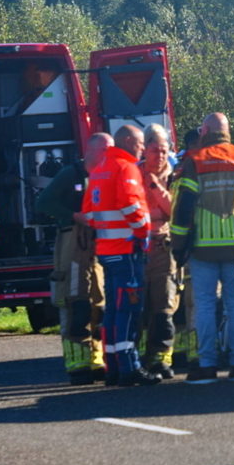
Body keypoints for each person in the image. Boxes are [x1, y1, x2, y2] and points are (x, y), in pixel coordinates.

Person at [171, 113, 234, 384]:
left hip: (204, 244)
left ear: (204, 131)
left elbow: (184, 207)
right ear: (228, 131)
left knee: (204, 305)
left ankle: (208, 365)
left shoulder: (196, 160)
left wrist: (178, 246)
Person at [82, 124, 161, 387]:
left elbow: (89, 213)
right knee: (129, 309)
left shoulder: (99, 169)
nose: (141, 148)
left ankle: (113, 366)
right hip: (126, 250)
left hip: (107, 250)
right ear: (127, 141)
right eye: (140, 143)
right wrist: (142, 231)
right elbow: (129, 203)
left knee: (114, 311)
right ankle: (129, 367)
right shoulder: (125, 166)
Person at [37, 132, 112, 386]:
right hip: (72, 242)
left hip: (97, 245)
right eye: (106, 150)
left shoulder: (106, 175)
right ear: (91, 150)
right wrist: (74, 216)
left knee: (97, 304)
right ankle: (77, 366)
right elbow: (44, 201)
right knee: (75, 304)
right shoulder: (71, 174)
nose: (109, 155)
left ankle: (95, 361)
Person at [138, 124, 178, 379]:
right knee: (139, 308)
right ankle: (141, 358)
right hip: (138, 249)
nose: (160, 156)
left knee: (164, 307)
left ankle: (162, 360)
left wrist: (154, 186)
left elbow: (173, 209)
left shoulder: (176, 175)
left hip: (164, 248)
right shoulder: (132, 173)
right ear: (144, 150)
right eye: (155, 150)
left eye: (163, 151)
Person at [172, 127, 199, 368]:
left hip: (179, 242)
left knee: (186, 300)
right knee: (185, 300)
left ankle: (186, 351)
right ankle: (187, 352)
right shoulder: (187, 168)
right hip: (185, 242)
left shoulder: (177, 166)